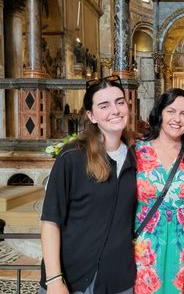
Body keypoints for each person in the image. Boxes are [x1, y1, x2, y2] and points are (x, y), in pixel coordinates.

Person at [39, 75, 136, 294]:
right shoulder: (72, 157)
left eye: (120, 102)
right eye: (104, 105)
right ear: (91, 116)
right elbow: (50, 221)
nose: (116, 110)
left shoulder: (136, 157)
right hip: (71, 279)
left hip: (118, 280)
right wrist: (55, 279)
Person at [134, 88, 184, 294]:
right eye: (171, 111)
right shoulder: (137, 151)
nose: (177, 119)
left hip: (183, 244)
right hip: (145, 243)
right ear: (160, 113)